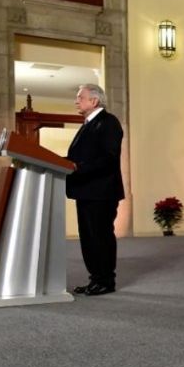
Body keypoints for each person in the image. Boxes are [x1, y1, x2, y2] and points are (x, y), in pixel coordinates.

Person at [66, 84, 124, 296]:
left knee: (100, 236)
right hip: (85, 190)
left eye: (80, 97)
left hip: (102, 192)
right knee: (88, 238)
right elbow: (78, 157)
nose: (76, 101)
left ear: (94, 101)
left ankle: (106, 280)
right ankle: (95, 279)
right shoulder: (87, 124)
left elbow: (108, 159)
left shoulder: (109, 122)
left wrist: (77, 167)